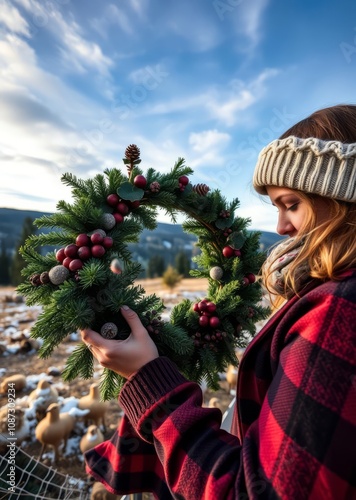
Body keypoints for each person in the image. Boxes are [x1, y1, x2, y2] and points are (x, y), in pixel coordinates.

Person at [81, 104, 356, 499]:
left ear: (343, 197)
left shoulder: (338, 312)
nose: (280, 228)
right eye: (275, 207)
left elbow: (251, 492)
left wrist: (148, 379)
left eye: (291, 203)